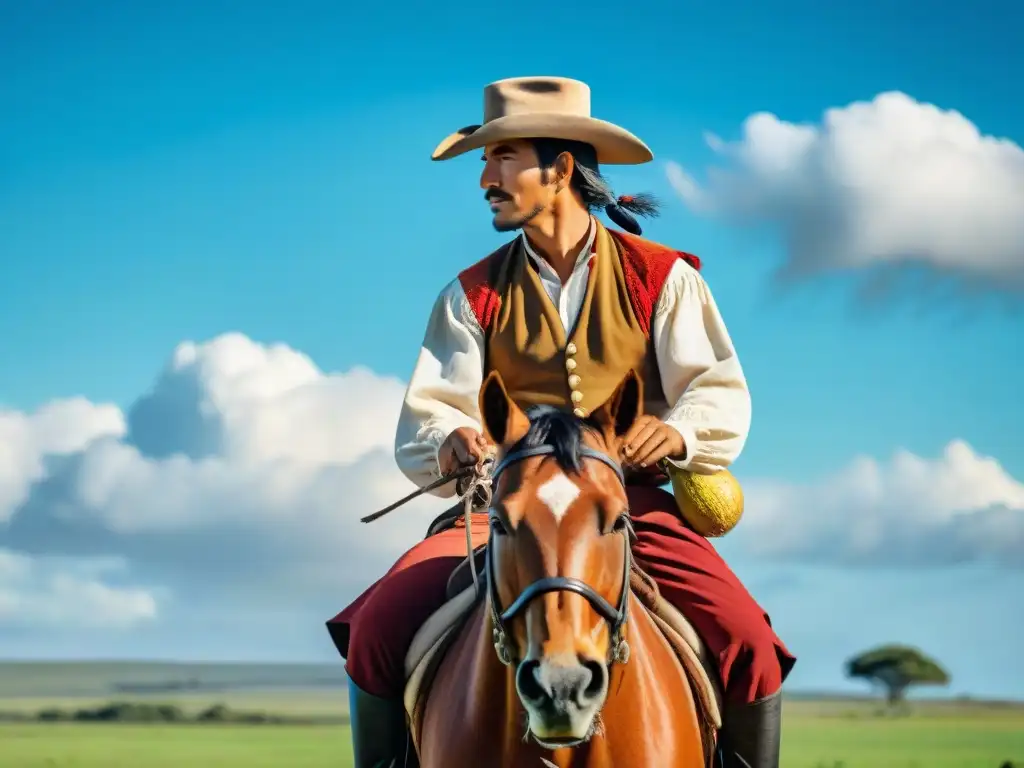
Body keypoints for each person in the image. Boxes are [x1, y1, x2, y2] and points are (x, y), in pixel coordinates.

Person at [327, 76, 795, 768]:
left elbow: (716, 389)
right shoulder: (470, 293)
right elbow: (431, 409)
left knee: (749, 644)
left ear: (562, 169)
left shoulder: (662, 278)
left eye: (502, 157)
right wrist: (450, 438)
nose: (486, 177)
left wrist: (679, 433)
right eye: (486, 162)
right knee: (373, 629)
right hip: (501, 506)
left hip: (624, 505)